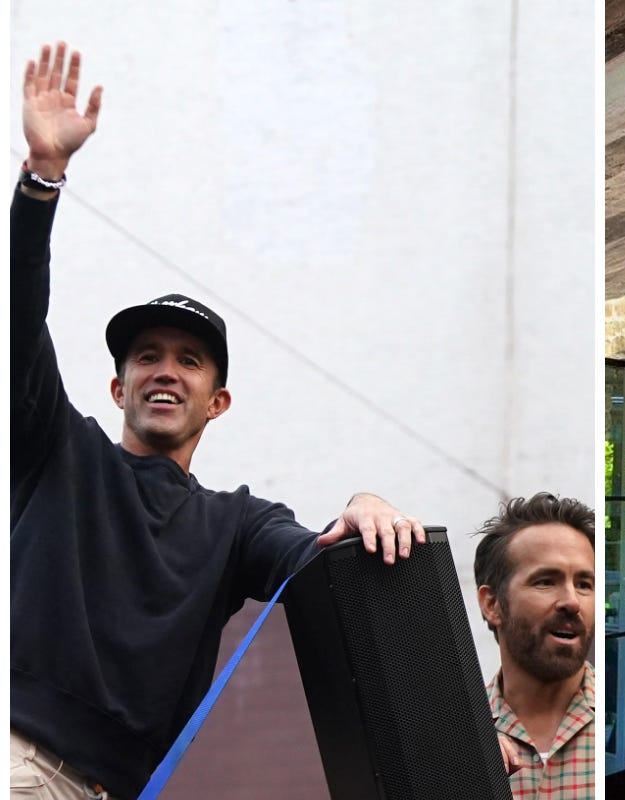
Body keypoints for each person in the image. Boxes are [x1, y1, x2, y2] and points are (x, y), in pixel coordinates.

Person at [11, 42, 427, 800]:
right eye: (146, 356)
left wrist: (363, 505)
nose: (165, 369)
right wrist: (42, 179)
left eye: (190, 360)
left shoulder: (235, 523)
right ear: (118, 386)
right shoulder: (56, 450)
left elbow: (316, 562)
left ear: (217, 401)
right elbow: (15, 317)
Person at [474, 493, 596, 799]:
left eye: (584, 584)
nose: (571, 601)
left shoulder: (624, 722)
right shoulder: (457, 741)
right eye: (545, 581)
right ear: (492, 604)